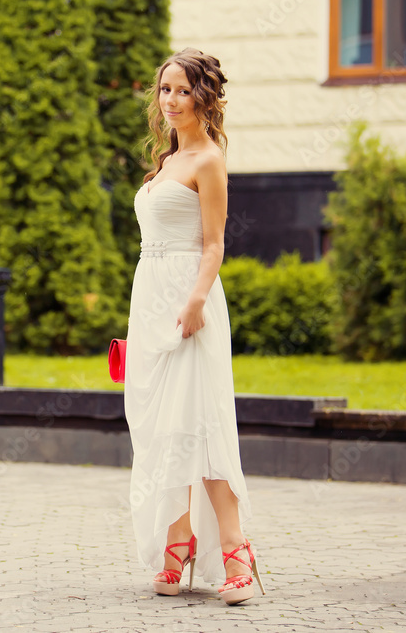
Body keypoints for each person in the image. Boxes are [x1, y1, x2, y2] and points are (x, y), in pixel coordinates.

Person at [123, 47, 264, 606]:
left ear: (205, 97)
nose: (172, 100)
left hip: (190, 303)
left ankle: (235, 551)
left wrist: (197, 300)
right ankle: (178, 542)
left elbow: (214, 244)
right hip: (151, 299)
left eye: (184, 90)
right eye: (166, 89)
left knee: (200, 426)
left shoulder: (208, 159)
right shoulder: (165, 162)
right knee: (163, 429)